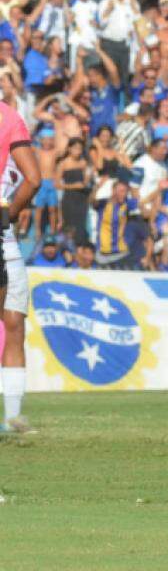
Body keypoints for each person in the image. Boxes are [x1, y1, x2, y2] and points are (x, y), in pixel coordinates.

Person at [0, 100, 40, 435]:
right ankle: (13, 418)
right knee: (14, 327)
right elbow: (35, 179)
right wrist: (10, 214)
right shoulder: (10, 118)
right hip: (6, 240)